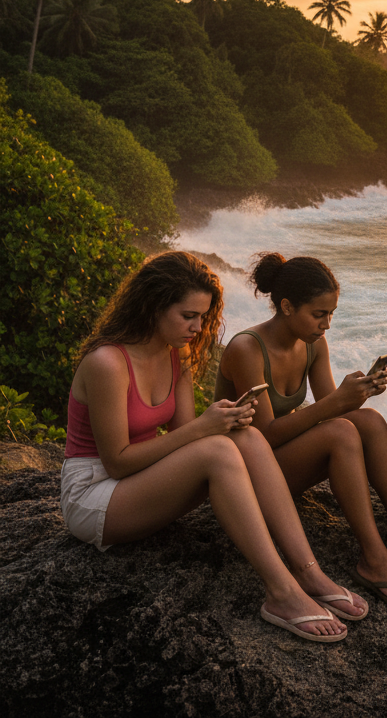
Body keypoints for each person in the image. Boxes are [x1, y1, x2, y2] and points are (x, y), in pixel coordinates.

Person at [61, 251, 366, 643]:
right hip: (94, 493)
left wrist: (220, 423)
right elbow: (117, 462)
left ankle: (308, 571)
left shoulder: (177, 355)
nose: (197, 326)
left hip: (141, 480)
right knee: (219, 451)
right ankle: (281, 592)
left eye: (203, 317)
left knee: (248, 435)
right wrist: (206, 428)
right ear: (154, 306)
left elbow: (186, 433)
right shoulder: (107, 363)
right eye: (188, 316)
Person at [216, 252, 387, 610]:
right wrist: (337, 402)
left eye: (332, 314)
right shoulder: (248, 348)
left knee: (368, 421)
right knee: (341, 433)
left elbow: (331, 407)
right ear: (288, 307)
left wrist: (360, 392)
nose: (327, 324)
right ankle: (373, 558)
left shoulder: (312, 344)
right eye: (319, 314)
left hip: (278, 462)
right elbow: (265, 435)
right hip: (246, 470)